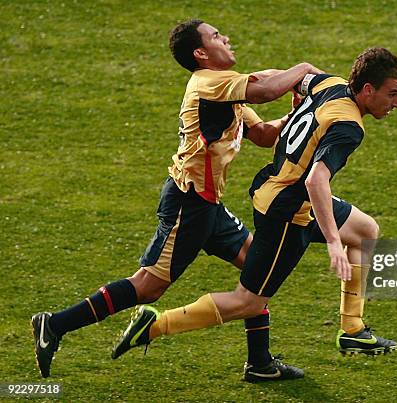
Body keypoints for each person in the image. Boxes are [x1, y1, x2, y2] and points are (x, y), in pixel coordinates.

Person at [31, 18, 323, 381]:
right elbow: (265, 90)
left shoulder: (227, 89)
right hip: (189, 203)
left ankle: (260, 364)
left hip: (208, 205)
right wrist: (305, 70)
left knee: (258, 271)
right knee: (148, 287)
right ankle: (55, 324)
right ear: (201, 53)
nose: (226, 38)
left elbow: (263, 134)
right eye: (217, 36)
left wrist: (297, 112)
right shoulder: (207, 82)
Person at [111, 48, 397, 371]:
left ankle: (352, 330)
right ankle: (153, 325)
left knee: (365, 231)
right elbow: (316, 182)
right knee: (248, 301)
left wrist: (254, 87)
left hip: (280, 190)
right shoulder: (348, 127)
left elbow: (285, 78)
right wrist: (334, 242)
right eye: (392, 94)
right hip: (286, 212)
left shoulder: (329, 84)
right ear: (367, 90)